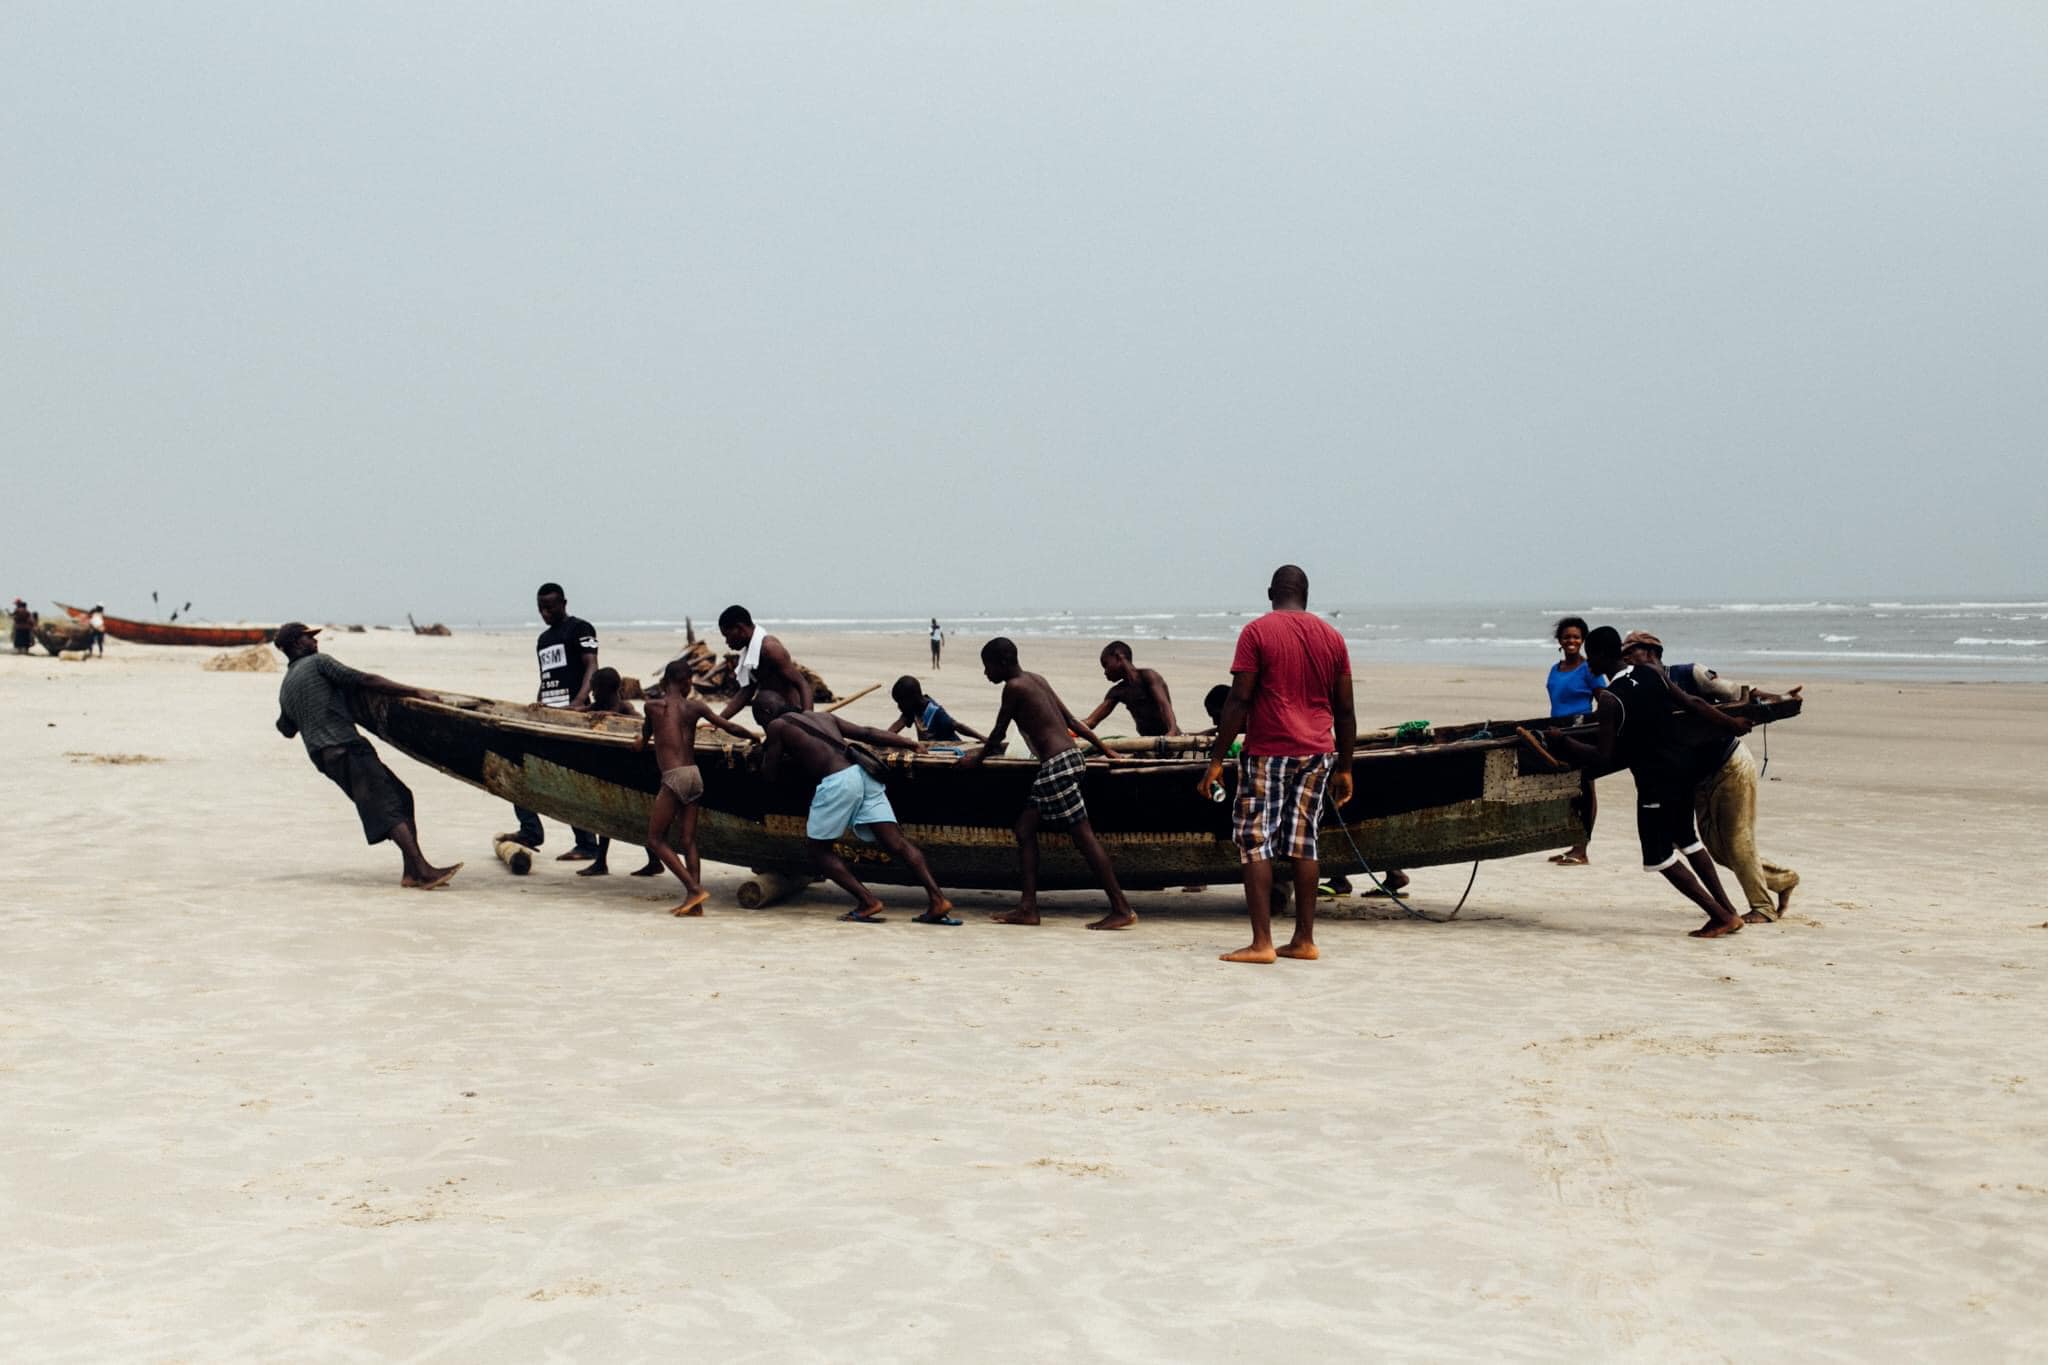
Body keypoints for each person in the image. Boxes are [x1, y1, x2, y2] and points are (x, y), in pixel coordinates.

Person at [1542, 627, 1753, 939]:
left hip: (1656, 783)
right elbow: (1693, 703)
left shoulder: (1611, 700)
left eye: (1591, 655)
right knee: (1687, 840)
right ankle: (1729, 910)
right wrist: (1732, 723)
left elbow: (1603, 757)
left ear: (1601, 655)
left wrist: (1563, 744)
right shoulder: (1651, 673)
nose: (1588, 664)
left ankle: (1720, 915)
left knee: (1659, 856)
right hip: (1684, 771)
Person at [1199, 565, 1356, 964]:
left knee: (1255, 842)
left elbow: (1238, 700)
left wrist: (1217, 760)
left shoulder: (1257, 632)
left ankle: (1261, 943)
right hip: (1318, 752)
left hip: (1268, 751)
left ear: (1271, 591)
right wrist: (1346, 767)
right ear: (1307, 594)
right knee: (1305, 843)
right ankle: (1304, 940)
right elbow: (1346, 710)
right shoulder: (1333, 638)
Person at [1621, 632, 1801, 924]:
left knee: (1737, 838)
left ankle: (1763, 908)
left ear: (1653, 651)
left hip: (1729, 763)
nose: (1626, 657)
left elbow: (1741, 694)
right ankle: (1782, 880)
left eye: (1632, 651)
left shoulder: (1690, 673)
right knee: (1716, 849)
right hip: (1695, 777)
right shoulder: (1641, 688)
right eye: (1623, 653)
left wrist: (1780, 699)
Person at [959, 637, 1134, 930]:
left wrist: (973, 761)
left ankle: (1121, 907)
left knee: (1084, 838)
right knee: (1024, 828)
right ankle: (1028, 907)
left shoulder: (1013, 688)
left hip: (1056, 767)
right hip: (1069, 760)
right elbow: (1073, 723)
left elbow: (997, 733)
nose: (986, 673)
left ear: (1002, 663)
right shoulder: (1036, 679)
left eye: (987, 666)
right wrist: (1104, 750)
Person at [272, 622, 460, 888]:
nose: (315, 642)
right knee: (387, 805)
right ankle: (423, 870)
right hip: (346, 746)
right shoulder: (318, 663)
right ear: (295, 644)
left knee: (402, 796)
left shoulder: (286, 686)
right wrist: (414, 691)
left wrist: (304, 709)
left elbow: (286, 729)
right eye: (308, 638)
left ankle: (411, 873)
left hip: (324, 757)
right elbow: (364, 680)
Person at [754, 691, 957, 924]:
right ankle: (937, 899)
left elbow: (769, 774)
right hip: (864, 775)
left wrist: (764, 753)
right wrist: (909, 743)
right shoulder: (823, 717)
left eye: (760, 720)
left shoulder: (777, 726)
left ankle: (868, 901)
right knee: (897, 843)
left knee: (818, 850)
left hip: (838, 782)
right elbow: (867, 733)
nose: (763, 725)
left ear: (767, 713)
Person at [634, 659, 760, 914]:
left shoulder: (652, 707)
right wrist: (753, 736)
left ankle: (694, 890)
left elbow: (644, 739)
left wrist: (637, 742)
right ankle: (696, 906)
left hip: (674, 777)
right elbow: (729, 726)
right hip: (694, 775)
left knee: (655, 839)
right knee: (688, 840)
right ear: (685, 682)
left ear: (665, 680)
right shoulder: (696, 707)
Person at [497, 583, 604, 860]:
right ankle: (530, 831)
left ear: (564, 603)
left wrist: (580, 702)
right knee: (516, 762)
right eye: (541, 608)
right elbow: (547, 677)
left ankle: (586, 844)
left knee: (569, 776)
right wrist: (537, 703)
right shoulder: (543, 640)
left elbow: (592, 665)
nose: (545, 613)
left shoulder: (581, 628)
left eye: (550, 607)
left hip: (572, 716)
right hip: (547, 715)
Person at [574, 668, 645, 879]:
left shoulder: (623, 706)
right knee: (607, 817)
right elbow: (578, 711)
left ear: (607, 689)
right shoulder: (599, 705)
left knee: (637, 819)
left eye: (595, 689)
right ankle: (601, 861)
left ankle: (651, 861)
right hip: (611, 771)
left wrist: (614, 717)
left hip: (629, 771)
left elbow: (641, 722)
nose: (593, 693)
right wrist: (546, 708)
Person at [1547, 615, 1603, 865]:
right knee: (1567, 789)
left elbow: (1604, 700)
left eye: (1576, 637)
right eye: (1567, 636)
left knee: (1585, 788)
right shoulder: (1555, 668)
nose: (1571, 640)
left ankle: (1582, 848)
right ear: (1559, 640)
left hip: (1581, 733)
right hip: (1557, 733)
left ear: (1583, 641)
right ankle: (1572, 845)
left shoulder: (1589, 669)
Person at [717, 605, 814, 719]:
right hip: (774, 715)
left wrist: (809, 718)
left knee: (762, 700)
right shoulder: (752, 654)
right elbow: (747, 691)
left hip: (792, 715)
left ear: (740, 629)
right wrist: (719, 720)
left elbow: (802, 684)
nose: (727, 642)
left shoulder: (770, 649)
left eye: (727, 635)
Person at [1081, 641, 1182, 737]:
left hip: (1168, 738)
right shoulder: (1117, 692)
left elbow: (1163, 705)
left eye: (1106, 665)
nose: (1105, 672)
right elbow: (1092, 721)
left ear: (1119, 657)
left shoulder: (1148, 676)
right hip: (1148, 742)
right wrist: (1070, 726)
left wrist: (1171, 732)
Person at [886, 676, 984, 743]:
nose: (899, 707)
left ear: (913, 698)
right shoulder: (912, 708)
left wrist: (982, 738)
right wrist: (881, 738)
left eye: (900, 702)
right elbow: (897, 726)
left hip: (948, 753)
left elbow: (958, 726)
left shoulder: (935, 711)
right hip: (930, 751)